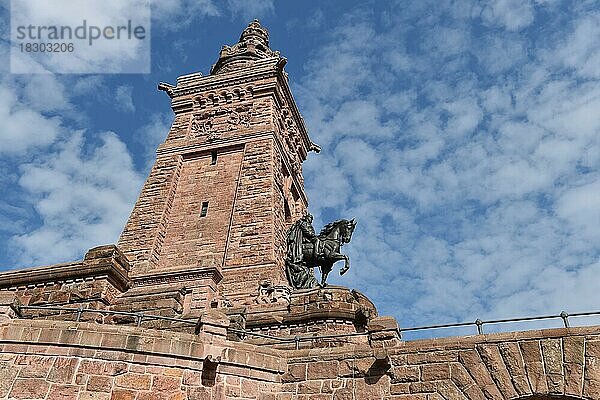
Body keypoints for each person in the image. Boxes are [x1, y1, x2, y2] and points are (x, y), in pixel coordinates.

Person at [285, 213, 319, 289]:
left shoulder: (305, 223)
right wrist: (313, 235)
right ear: (307, 218)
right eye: (310, 218)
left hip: (304, 241)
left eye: (311, 219)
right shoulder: (303, 223)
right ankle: (316, 254)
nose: (311, 220)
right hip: (298, 243)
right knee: (317, 241)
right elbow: (307, 232)